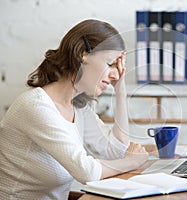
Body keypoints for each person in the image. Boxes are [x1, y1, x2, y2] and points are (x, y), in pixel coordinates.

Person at [0, 19, 149, 199]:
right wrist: (131, 162)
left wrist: (120, 89)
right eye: (110, 64)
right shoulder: (35, 106)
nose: (116, 74)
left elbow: (115, 150)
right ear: (83, 54)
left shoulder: (78, 107)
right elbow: (86, 172)